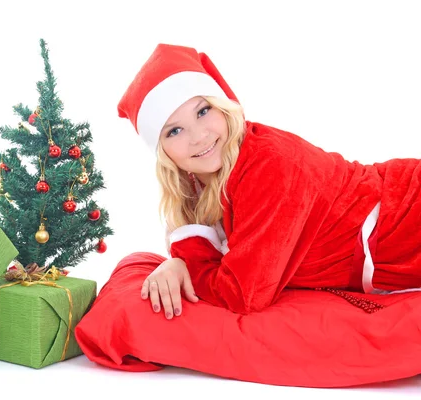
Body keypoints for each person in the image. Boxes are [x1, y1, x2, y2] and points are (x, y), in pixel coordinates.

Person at [116, 43, 421, 317]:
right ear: (163, 151)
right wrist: (180, 262)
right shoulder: (199, 183)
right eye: (174, 130)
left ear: (223, 108)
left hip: (406, 219)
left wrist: (187, 265)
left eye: (203, 111)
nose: (199, 136)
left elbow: (242, 293)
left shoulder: (268, 165)